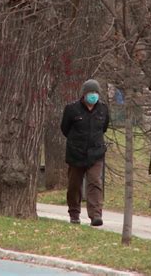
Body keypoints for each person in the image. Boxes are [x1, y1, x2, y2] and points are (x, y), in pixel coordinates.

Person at [60, 79, 110, 226]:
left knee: (95, 182)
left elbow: (104, 127)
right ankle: (74, 213)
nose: (93, 96)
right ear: (84, 94)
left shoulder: (103, 109)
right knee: (74, 185)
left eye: (95, 93)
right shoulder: (72, 109)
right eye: (90, 93)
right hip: (76, 154)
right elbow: (65, 129)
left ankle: (96, 215)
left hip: (96, 153)